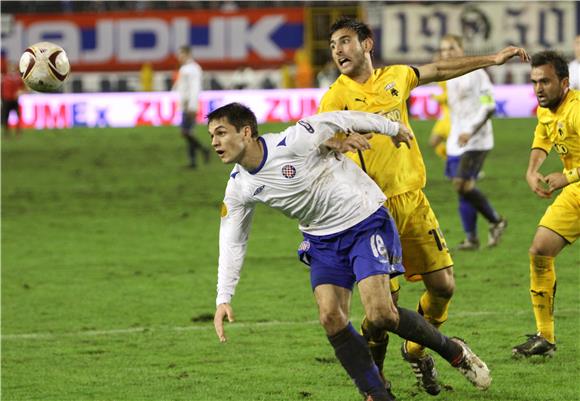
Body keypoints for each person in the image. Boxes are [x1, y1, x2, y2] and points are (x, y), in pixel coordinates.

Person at [210, 102, 491, 401]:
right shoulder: (239, 187)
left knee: (382, 315)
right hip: (321, 240)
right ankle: (376, 394)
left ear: (246, 131)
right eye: (212, 135)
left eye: (221, 133)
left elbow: (338, 118)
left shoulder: (292, 140)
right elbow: (232, 238)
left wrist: (393, 128)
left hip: (363, 220)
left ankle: (454, 351)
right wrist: (223, 297)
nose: (214, 142)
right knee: (331, 317)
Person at [318, 17, 528, 395]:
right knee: (381, 311)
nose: (337, 50)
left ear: (367, 44)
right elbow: (316, 139)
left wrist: (493, 58)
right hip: (371, 212)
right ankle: (375, 382)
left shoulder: (398, 76)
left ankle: (416, 351)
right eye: (333, 45)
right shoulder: (336, 96)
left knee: (444, 286)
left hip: (413, 200)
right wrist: (340, 141)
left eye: (345, 41)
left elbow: (440, 69)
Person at [512, 51, 579, 358]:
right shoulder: (546, 110)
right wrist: (531, 169)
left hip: (573, 183)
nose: (538, 88)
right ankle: (545, 337)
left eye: (546, 82)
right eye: (534, 82)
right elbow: (542, 138)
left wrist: (568, 176)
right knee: (540, 250)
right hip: (576, 194)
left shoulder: (576, 110)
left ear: (564, 82)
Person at [439, 34, 507, 250]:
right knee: (462, 187)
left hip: (477, 140)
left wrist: (469, 130)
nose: (447, 53)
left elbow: (489, 106)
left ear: (461, 49)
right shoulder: (449, 76)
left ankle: (496, 221)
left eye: (451, 48)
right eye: (443, 50)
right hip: (455, 140)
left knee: (461, 183)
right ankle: (472, 238)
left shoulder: (477, 74)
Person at [174, 45, 210, 168]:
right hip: (186, 105)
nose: (179, 57)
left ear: (188, 54)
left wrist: (192, 106)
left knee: (185, 132)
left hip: (190, 105)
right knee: (189, 132)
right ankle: (193, 162)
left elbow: (195, 88)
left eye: (181, 54)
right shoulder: (186, 68)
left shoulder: (192, 69)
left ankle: (204, 150)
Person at [1, 61, 25, 138]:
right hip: (6, 100)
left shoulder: (18, 78)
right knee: (5, 118)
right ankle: (6, 133)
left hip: (15, 100)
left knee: (18, 116)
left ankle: (18, 133)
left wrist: (20, 92)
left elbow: (23, 88)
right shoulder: (4, 78)